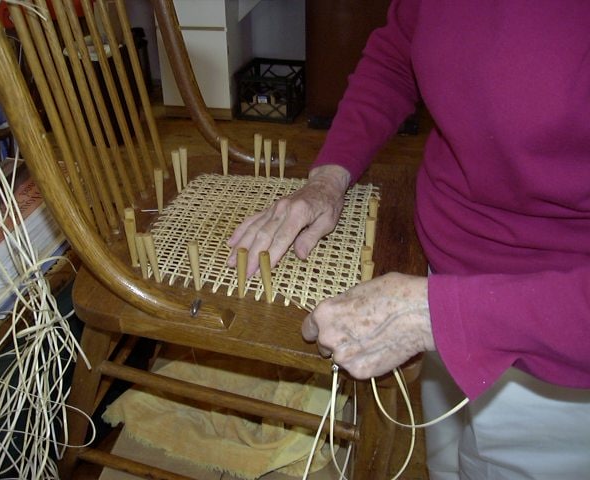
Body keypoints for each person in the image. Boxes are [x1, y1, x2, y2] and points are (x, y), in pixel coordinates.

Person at [227, 1, 590, 478]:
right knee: (448, 462)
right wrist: (330, 177)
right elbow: (400, 52)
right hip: (438, 281)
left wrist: (435, 315)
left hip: (554, 352)